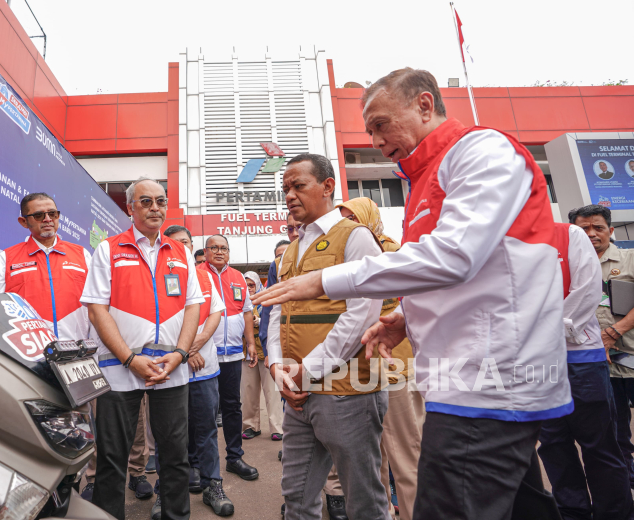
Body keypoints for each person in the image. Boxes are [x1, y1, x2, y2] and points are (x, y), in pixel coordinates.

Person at [254, 67, 571, 520]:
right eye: (369, 131)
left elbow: (455, 255)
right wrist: (407, 314)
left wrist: (325, 280)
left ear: (424, 104)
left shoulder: (481, 151)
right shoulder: (424, 178)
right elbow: (457, 271)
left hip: (488, 381)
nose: (377, 140)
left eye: (382, 124)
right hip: (460, 378)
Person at [265, 154, 388, 520]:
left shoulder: (356, 237)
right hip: (298, 393)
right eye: (285, 188)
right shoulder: (291, 250)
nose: (289, 195)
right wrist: (277, 367)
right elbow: (277, 312)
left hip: (347, 392)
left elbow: (361, 314)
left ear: (328, 186)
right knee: (297, 497)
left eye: (298, 186)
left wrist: (308, 370)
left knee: (363, 498)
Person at [81, 177, 203, 520]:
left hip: (171, 367)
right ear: (130, 207)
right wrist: (130, 358)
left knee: (175, 456)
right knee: (111, 458)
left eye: (161, 202)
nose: (155, 208)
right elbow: (96, 309)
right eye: (146, 202)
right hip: (120, 369)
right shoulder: (108, 249)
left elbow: (193, 305)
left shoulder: (181, 252)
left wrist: (180, 354)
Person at [538, 218, 634, 519]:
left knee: (600, 445)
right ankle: (572, 513)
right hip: (536, 364)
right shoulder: (499, 240)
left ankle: (615, 513)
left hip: (581, 359)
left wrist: (543, 331)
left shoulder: (569, 235)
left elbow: (587, 291)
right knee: (553, 445)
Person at [337, 197, 424, 520]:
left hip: (395, 364)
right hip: (358, 368)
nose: (347, 225)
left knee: (405, 452)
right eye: (343, 218)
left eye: (352, 217)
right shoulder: (343, 256)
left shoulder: (397, 252)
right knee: (371, 459)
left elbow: (412, 306)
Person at [164, 225, 234, 517]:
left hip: (204, 370)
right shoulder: (158, 275)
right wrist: (183, 352)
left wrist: (195, 345)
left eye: (186, 242)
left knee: (206, 432)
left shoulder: (204, 276)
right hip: (170, 372)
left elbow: (216, 312)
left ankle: (212, 485)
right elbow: (157, 319)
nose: (182, 246)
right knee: (171, 435)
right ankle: (166, 494)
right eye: (176, 242)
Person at [570, 204, 634, 490]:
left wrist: (612, 333)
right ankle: (627, 482)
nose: (591, 233)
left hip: (630, 354)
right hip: (597, 364)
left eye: (598, 227)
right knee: (615, 430)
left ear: (610, 230)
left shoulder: (630, 259)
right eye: (584, 228)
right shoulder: (568, 265)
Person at [0, 193, 92, 341]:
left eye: (52, 214)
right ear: (24, 222)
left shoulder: (82, 255)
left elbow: (97, 306)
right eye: (39, 215)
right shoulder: (7, 258)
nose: (48, 219)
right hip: (28, 353)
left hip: (76, 350)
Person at [199, 235, 260, 481]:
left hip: (233, 354)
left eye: (224, 248)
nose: (220, 252)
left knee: (233, 407)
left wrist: (251, 343)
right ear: (206, 251)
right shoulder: (196, 274)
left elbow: (246, 313)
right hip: (205, 356)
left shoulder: (238, 278)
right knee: (205, 411)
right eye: (214, 248)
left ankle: (234, 457)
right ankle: (199, 464)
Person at [241, 271, 284, 442]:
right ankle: (250, 426)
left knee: (272, 392)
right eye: (246, 285)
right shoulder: (239, 301)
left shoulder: (266, 300)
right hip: (247, 353)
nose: (249, 288)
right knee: (248, 391)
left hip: (266, 352)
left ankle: (277, 427)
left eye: (252, 285)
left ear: (258, 284)